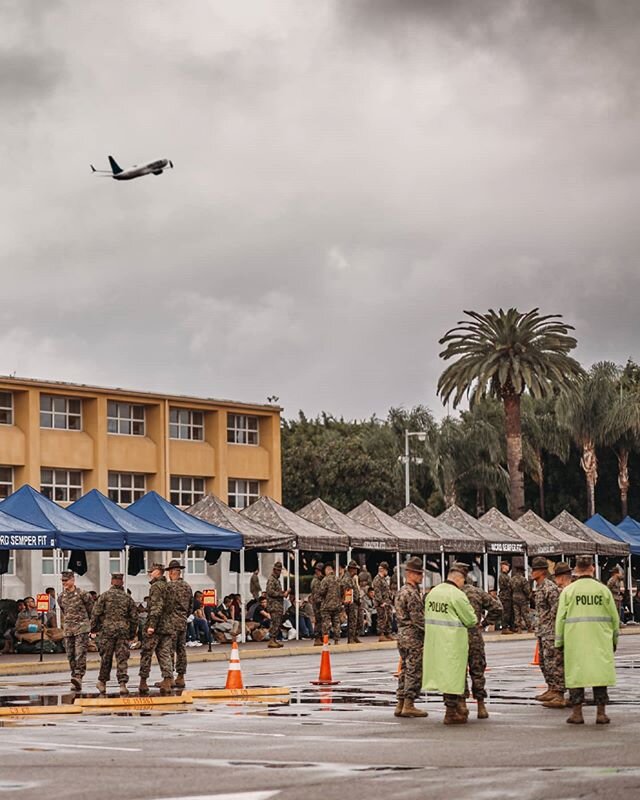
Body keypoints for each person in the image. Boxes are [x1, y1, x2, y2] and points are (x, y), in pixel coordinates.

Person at [555, 554, 620, 725]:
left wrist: (559, 642)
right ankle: (601, 713)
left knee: (576, 675)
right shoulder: (603, 590)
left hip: (575, 640)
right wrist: (614, 640)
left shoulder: (569, 591)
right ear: (592, 569)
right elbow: (614, 618)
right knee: (599, 676)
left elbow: (560, 619)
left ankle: (577, 713)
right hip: (600, 639)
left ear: (576, 570)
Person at [422, 565, 477, 724]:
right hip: (452, 643)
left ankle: (452, 709)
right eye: (463, 580)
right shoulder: (457, 595)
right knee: (454, 677)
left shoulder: (433, 593)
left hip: (434, 642)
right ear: (459, 578)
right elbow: (470, 620)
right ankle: (451, 712)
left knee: (444, 676)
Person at [454, 563, 502, 720]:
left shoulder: (453, 593)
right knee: (477, 671)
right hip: (475, 636)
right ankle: (481, 706)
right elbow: (497, 607)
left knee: (459, 672)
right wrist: (485, 623)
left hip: (457, 637)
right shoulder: (477, 592)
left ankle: (462, 704)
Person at [90, 573, 139, 694]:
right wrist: (132, 634)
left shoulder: (104, 596)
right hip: (122, 631)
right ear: (122, 582)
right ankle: (122, 684)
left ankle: (102, 682)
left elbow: (95, 613)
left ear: (112, 582)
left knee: (106, 658)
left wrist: (93, 629)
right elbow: (134, 618)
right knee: (122, 658)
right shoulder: (127, 598)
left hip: (107, 631)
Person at [530, 557, 566, 709]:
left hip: (550, 631)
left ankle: (559, 692)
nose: (532, 572)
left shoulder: (549, 588)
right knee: (544, 663)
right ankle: (551, 688)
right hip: (542, 630)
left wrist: (553, 629)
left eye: (534, 569)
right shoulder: (539, 587)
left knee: (554, 663)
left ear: (542, 571)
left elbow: (556, 610)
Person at [394, 556, 427, 718]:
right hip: (413, 636)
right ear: (411, 574)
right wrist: (431, 632)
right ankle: (409, 703)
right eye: (419, 574)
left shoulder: (401, 591)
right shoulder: (412, 594)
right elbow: (418, 619)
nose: (421, 577)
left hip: (402, 635)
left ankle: (400, 703)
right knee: (414, 669)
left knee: (405, 670)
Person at [138, 563, 174, 695]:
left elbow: (156, 608)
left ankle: (143, 681)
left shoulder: (156, 586)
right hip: (167, 625)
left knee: (147, 653)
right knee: (164, 653)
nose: (150, 573)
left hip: (157, 625)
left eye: (152, 571)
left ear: (158, 572)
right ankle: (167, 680)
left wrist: (151, 625)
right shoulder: (169, 586)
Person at [58, 571, 94, 692]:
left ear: (73, 580)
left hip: (81, 627)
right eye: (63, 581)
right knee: (70, 654)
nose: (64, 583)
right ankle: (74, 675)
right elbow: (64, 611)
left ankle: (78, 676)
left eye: (66, 580)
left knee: (80, 653)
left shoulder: (83, 594)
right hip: (68, 629)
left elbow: (91, 610)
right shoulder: (61, 596)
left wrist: (91, 626)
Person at [167, 559, 193, 689]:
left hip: (171, 622)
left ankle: (169, 677)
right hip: (183, 621)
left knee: (169, 649)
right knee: (181, 649)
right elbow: (191, 607)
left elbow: (166, 606)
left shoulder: (170, 587)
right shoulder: (187, 586)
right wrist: (183, 616)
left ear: (171, 573)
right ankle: (181, 677)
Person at [318, 563, 343, 645]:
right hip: (337, 605)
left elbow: (321, 592)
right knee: (336, 623)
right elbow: (343, 591)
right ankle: (336, 640)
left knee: (326, 623)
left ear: (327, 570)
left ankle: (326, 640)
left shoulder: (325, 580)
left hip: (327, 606)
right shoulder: (338, 579)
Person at [266, 561, 288, 648]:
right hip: (274, 605)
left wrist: (282, 593)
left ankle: (274, 639)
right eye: (278, 570)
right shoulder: (271, 579)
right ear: (274, 570)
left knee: (278, 622)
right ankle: (271, 640)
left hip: (278, 605)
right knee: (275, 622)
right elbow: (270, 591)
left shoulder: (276, 580)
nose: (279, 572)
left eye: (280, 570)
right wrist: (282, 594)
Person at [340, 560, 361, 644]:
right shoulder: (346, 579)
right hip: (350, 603)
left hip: (355, 602)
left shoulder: (351, 578)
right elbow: (346, 592)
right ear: (351, 569)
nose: (356, 571)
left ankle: (355, 636)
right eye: (355, 569)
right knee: (352, 621)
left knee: (356, 620)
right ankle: (351, 638)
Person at [372, 562, 394, 641]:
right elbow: (377, 592)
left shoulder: (383, 579)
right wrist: (381, 602)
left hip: (386, 602)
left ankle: (388, 633)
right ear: (383, 570)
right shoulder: (377, 579)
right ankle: (381, 635)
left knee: (388, 618)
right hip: (381, 603)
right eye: (386, 570)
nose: (387, 572)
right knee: (382, 618)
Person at [511, 566, 531, 632]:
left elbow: (510, 588)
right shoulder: (523, 579)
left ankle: (518, 628)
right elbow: (526, 590)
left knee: (517, 613)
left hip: (514, 597)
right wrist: (529, 596)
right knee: (525, 613)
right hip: (522, 597)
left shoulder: (512, 579)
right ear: (522, 571)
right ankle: (529, 627)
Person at [310, 562, 325, 645]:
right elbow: (316, 597)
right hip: (318, 605)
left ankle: (321, 638)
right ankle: (317, 638)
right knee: (319, 621)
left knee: (321, 621)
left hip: (320, 604)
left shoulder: (319, 581)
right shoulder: (316, 582)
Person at [498, 561, 513, 633]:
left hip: (508, 596)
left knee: (509, 612)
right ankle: (504, 627)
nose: (508, 568)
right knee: (505, 612)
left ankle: (509, 626)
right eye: (507, 566)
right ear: (503, 567)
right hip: (505, 596)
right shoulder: (502, 576)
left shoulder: (506, 576)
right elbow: (508, 586)